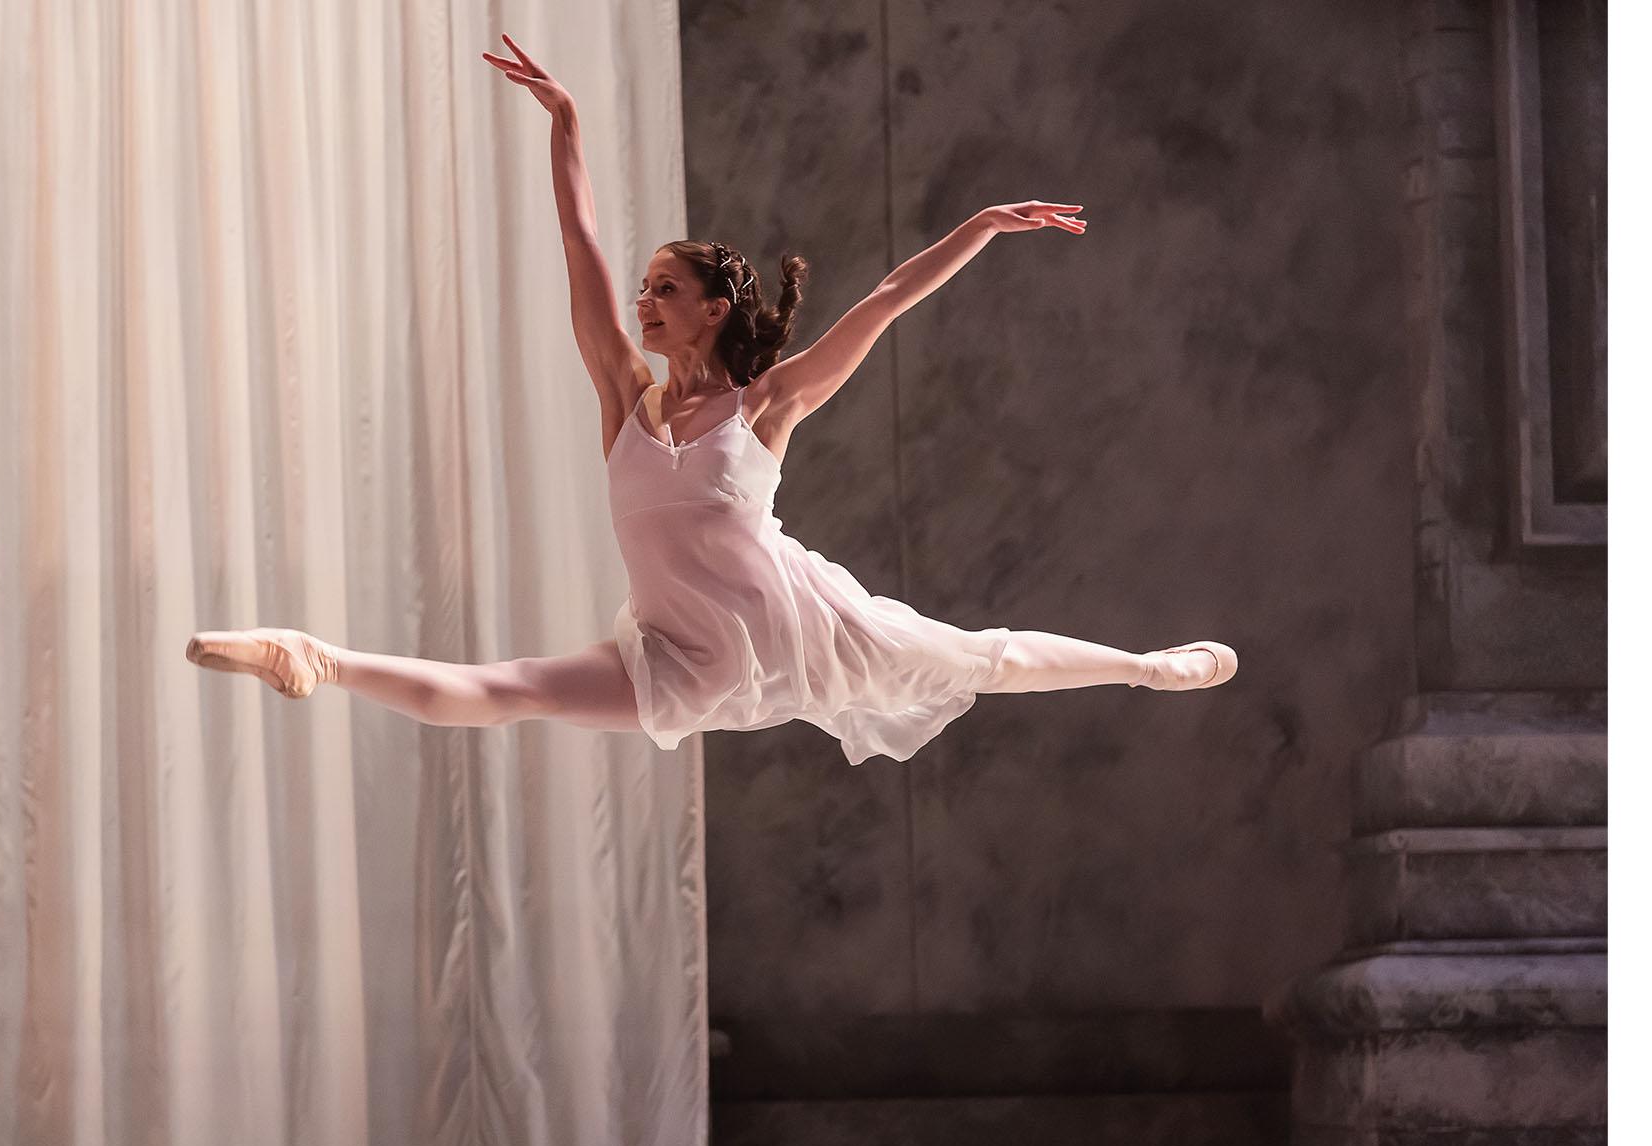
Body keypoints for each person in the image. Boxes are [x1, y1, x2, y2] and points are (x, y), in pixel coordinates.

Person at [186, 33, 1236, 766]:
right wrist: (566, 126)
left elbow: (883, 299)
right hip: (681, 658)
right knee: (512, 690)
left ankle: (1146, 667)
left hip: (798, 627)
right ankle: (317, 656)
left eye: (664, 289)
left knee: (980, 657)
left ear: (717, 306)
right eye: (642, 289)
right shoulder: (623, 399)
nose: (642, 302)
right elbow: (581, 250)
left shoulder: (767, 407)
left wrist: (981, 226)